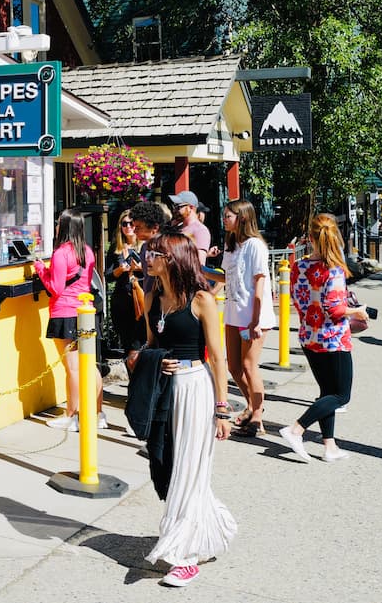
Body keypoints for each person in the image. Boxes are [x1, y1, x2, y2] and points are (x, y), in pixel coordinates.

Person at [137, 232, 236, 587]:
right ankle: (214, 528)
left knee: (190, 468)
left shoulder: (201, 300)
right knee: (174, 463)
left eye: (157, 253)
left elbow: (219, 357)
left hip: (196, 388)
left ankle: (185, 554)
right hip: (165, 392)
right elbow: (148, 347)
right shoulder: (151, 297)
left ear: (175, 258)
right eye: (149, 252)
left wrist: (222, 410)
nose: (149, 257)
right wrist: (150, 361)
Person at [281, 213, 367, 462]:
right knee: (341, 396)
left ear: (310, 238)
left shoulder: (299, 266)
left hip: (310, 336)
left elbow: (297, 300)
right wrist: (358, 311)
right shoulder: (334, 271)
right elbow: (336, 309)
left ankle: (330, 446)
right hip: (333, 339)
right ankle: (296, 429)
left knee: (327, 392)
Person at [33, 209, 104, 431]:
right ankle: (98, 413)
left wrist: (40, 270)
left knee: (72, 368)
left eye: (57, 223)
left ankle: (72, 415)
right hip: (85, 313)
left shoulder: (61, 253)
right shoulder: (88, 252)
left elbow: (56, 288)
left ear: (63, 227)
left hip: (65, 312)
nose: (55, 226)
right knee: (89, 365)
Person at [219, 198, 274, 437]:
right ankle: (251, 405)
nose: (224, 220)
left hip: (252, 315)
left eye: (228, 216)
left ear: (241, 218)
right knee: (234, 366)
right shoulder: (231, 245)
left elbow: (259, 281)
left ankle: (258, 416)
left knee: (250, 365)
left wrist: (255, 319)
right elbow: (226, 278)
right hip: (233, 313)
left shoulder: (255, 246)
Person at [105, 209, 145, 361]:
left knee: (139, 343)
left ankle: (139, 379)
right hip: (122, 301)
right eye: (124, 224)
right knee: (127, 344)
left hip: (141, 298)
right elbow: (108, 276)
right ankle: (133, 381)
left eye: (131, 223)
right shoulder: (116, 248)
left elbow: (157, 272)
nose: (128, 227)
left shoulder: (145, 246)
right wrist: (120, 269)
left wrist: (140, 268)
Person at [170, 190, 211, 265]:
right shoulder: (176, 228)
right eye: (174, 206)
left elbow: (199, 263)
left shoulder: (200, 230)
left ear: (191, 207)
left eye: (178, 207)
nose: (174, 210)